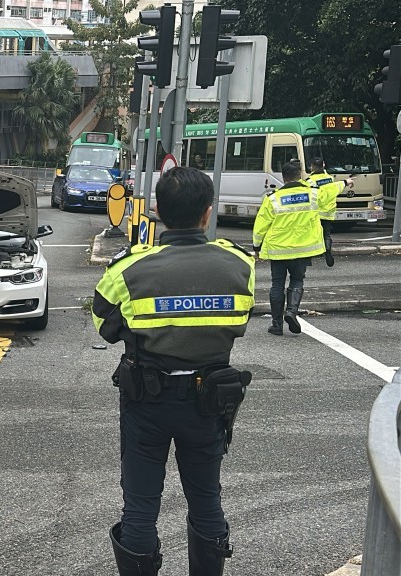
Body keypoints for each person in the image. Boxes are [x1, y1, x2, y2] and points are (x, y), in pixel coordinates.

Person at [93, 167, 255, 576]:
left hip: (146, 403)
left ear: (159, 212)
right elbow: (241, 321)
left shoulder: (130, 269)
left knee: (141, 507)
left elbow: (105, 324)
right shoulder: (238, 266)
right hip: (209, 403)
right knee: (206, 500)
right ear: (208, 212)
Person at [253, 161, 338, 335]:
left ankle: (276, 324)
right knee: (297, 281)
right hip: (303, 248)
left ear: (283, 178)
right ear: (300, 175)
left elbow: (260, 225)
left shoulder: (273, 199)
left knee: (277, 284)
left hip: (278, 249)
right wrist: (343, 183)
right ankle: (291, 311)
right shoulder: (313, 194)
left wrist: (256, 246)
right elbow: (330, 193)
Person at [302, 157, 355, 267]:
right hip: (328, 213)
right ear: (324, 165)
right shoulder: (330, 179)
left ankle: (308, 259)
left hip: (315, 214)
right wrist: (346, 182)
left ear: (311, 167)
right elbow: (337, 187)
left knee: (311, 235)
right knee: (326, 234)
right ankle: (327, 249)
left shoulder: (309, 181)